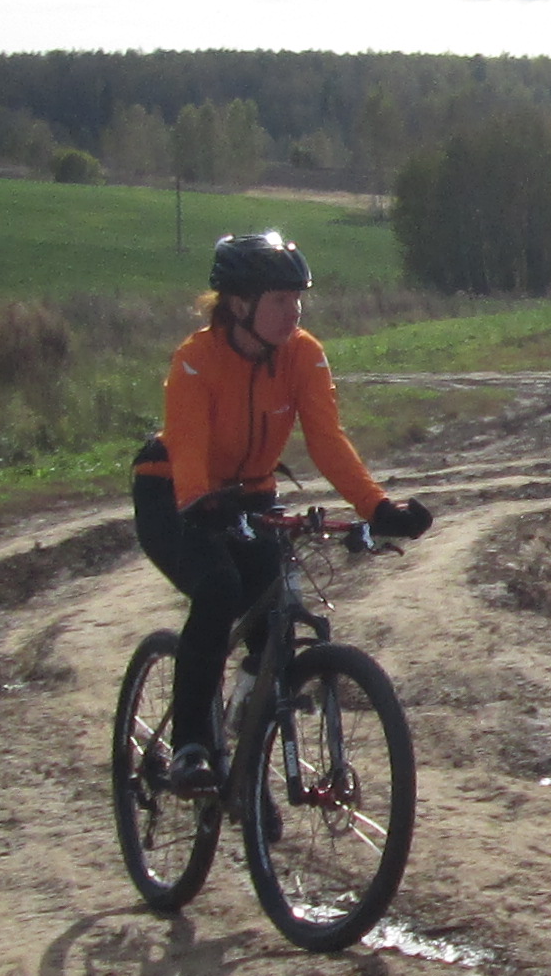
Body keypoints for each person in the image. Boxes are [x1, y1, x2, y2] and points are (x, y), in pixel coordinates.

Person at [131, 229, 432, 794]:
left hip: (249, 494)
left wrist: (377, 506)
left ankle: (245, 770)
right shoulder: (196, 360)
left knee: (275, 619)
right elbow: (188, 444)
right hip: (173, 491)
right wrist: (199, 502)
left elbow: (326, 440)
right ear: (239, 304)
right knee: (218, 588)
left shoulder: (303, 354)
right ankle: (191, 746)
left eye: (297, 299)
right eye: (279, 300)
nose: (293, 311)